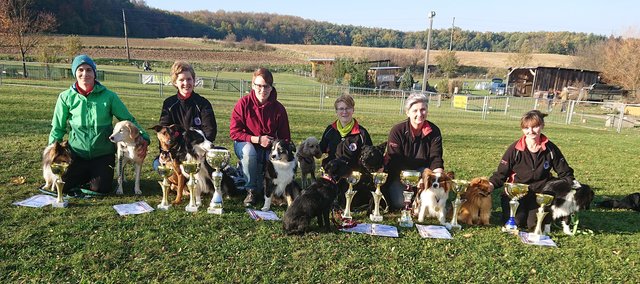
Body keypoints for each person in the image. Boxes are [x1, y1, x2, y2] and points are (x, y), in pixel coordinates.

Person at [48, 54, 150, 194]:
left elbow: (129, 120)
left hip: (102, 154)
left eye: (89, 70)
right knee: (63, 187)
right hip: (76, 154)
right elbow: (58, 128)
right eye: (80, 70)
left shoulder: (109, 96)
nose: (85, 74)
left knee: (100, 189)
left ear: (94, 73)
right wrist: (51, 151)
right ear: (75, 73)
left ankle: (92, 176)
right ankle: (83, 175)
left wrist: (145, 138)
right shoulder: (65, 97)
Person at [488, 110, 575, 228]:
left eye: (535, 127)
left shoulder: (551, 149)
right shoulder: (515, 149)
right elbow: (501, 174)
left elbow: (565, 173)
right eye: (526, 128)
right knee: (517, 223)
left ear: (542, 126)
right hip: (516, 193)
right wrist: (489, 186)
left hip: (540, 194)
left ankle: (555, 212)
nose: (530, 131)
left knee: (534, 225)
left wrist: (569, 190)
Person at [230, 68, 291, 206]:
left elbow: (285, 138)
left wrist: (274, 145)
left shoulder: (279, 109)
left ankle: (271, 189)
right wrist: (257, 139)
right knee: (249, 152)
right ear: (252, 85)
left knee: (263, 184)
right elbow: (234, 132)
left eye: (266, 86)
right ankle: (250, 191)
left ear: (271, 87)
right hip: (245, 143)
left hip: (268, 147)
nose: (262, 90)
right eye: (258, 85)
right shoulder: (243, 104)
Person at [384, 93, 444, 210]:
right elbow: (394, 161)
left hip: (423, 172)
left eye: (423, 109)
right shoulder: (397, 131)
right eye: (415, 110)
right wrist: (413, 180)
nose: (419, 114)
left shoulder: (434, 131)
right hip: (400, 173)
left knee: (435, 201)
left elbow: (435, 158)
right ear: (407, 112)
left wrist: (438, 176)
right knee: (400, 203)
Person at [153, 61, 217, 170]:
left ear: (194, 80)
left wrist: (194, 147)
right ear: (175, 82)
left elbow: (210, 131)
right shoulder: (169, 104)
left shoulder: (203, 103)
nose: (186, 83)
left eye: (189, 79)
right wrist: (164, 152)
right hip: (176, 152)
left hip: (198, 151)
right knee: (157, 165)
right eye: (181, 80)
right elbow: (163, 132)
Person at [319, 94, 373, 171]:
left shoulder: (362, 133)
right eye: (341, 109)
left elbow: (369, 155)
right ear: (336, 111)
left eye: (348, 108)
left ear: (353, 110)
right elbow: (320, 149)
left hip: (353, 177)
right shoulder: (330, 130)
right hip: (332, 174)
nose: (344, 111)